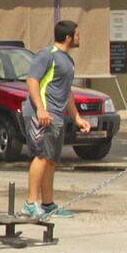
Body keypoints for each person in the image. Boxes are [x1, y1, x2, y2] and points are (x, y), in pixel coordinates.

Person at [22, 20, 91, 220]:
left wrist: (77, 117)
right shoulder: (47, 55)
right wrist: (41, 110)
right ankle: (30, 204)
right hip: (42, 114)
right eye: (77, 34)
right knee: (41, 156)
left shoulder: (68, 61)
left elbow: (67, 91)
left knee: (51, 160)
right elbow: (32, 81)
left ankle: (48, 204)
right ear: (68, 38)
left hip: (57, 116)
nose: (79, 38)